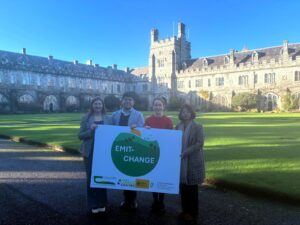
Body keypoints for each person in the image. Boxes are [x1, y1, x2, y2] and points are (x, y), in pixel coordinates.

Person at [111, 91, 144, 212]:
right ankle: (126, 199)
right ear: (122, 101)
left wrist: (136, 130)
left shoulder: (139, 115)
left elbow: (141, 133)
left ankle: (132, 200)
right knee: (122, 175)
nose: (127, 101)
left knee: (131, 175)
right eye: (125, 99)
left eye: (130, 100)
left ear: (133, 102)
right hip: (119, 149)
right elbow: (109, 132)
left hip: (133, 149)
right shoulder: (114, 115)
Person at [78, 97, 111, 215]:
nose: (97, 106)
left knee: (102, 177)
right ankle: (93, 204)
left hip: (103, 152)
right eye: (95, 104)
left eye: (100, 104)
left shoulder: (108, 118)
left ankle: (102, 203)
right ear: (92, 106)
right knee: (91, 178)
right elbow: (80, 136)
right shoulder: (86, 118)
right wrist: (90, 130)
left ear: (103, 105)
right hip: (90, 151)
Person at [175, 104, 205, 222]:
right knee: (183, 187)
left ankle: (193, 212)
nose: (185, 114)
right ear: (181, 114)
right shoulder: (178, 126)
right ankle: (184, 211)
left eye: (187, 112)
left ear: (191, 113)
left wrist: (185, 152)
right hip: (181, 161)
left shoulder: (198, 126)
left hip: (192, 160)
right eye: (183, 112)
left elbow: (199, 143)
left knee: (192, 189)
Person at [144, 97, 173, 213]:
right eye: (155, 105)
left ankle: (161, 201)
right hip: (151, 153)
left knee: (162, 177)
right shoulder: (148, 120)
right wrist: (144, 129)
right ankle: (155, 200)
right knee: (153, 177)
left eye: (159, 105)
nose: (157, 107)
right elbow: (143, 137)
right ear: (153, 106)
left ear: (163, 106)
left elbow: (172, 138)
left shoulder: (168, 121)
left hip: (164, 153)